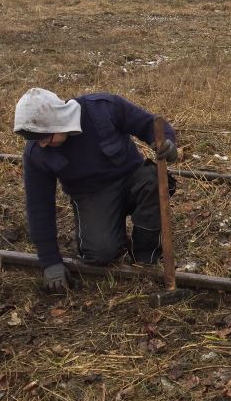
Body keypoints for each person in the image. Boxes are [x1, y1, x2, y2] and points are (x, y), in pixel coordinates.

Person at [13, 88, 178, 293]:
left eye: (45, 136)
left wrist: (167, 142)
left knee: (153, 181)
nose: (43, 143)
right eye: (36, 138)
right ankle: (115, 237)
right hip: (92, 195)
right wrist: (50, 262)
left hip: (132, 180)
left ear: (59, 119)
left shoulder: (103, 108)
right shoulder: (36, 154)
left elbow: (148, 124)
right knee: (101, 253)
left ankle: (145, 258)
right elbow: (39, 207)